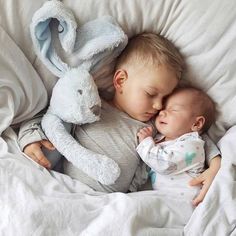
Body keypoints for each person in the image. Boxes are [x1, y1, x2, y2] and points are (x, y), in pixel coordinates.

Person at [18, 33, 221, 205]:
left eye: (165, 99)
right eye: (151, 94)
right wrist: (30, 139)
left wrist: (215, 163)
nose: (159, 106)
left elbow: (193, 136)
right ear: (120, 80)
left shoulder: (154, 127)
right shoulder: (92, 106)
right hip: (71, 191)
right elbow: (49, 117)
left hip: (112, 203)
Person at [137, 86, 218, 205]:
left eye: (174, 110)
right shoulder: (159, 138)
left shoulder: (192, 145)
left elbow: (164, 164)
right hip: (166, 200)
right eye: (163, 108)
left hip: (184, 202)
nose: (162, 112)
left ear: (196, 123)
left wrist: (145, 142)